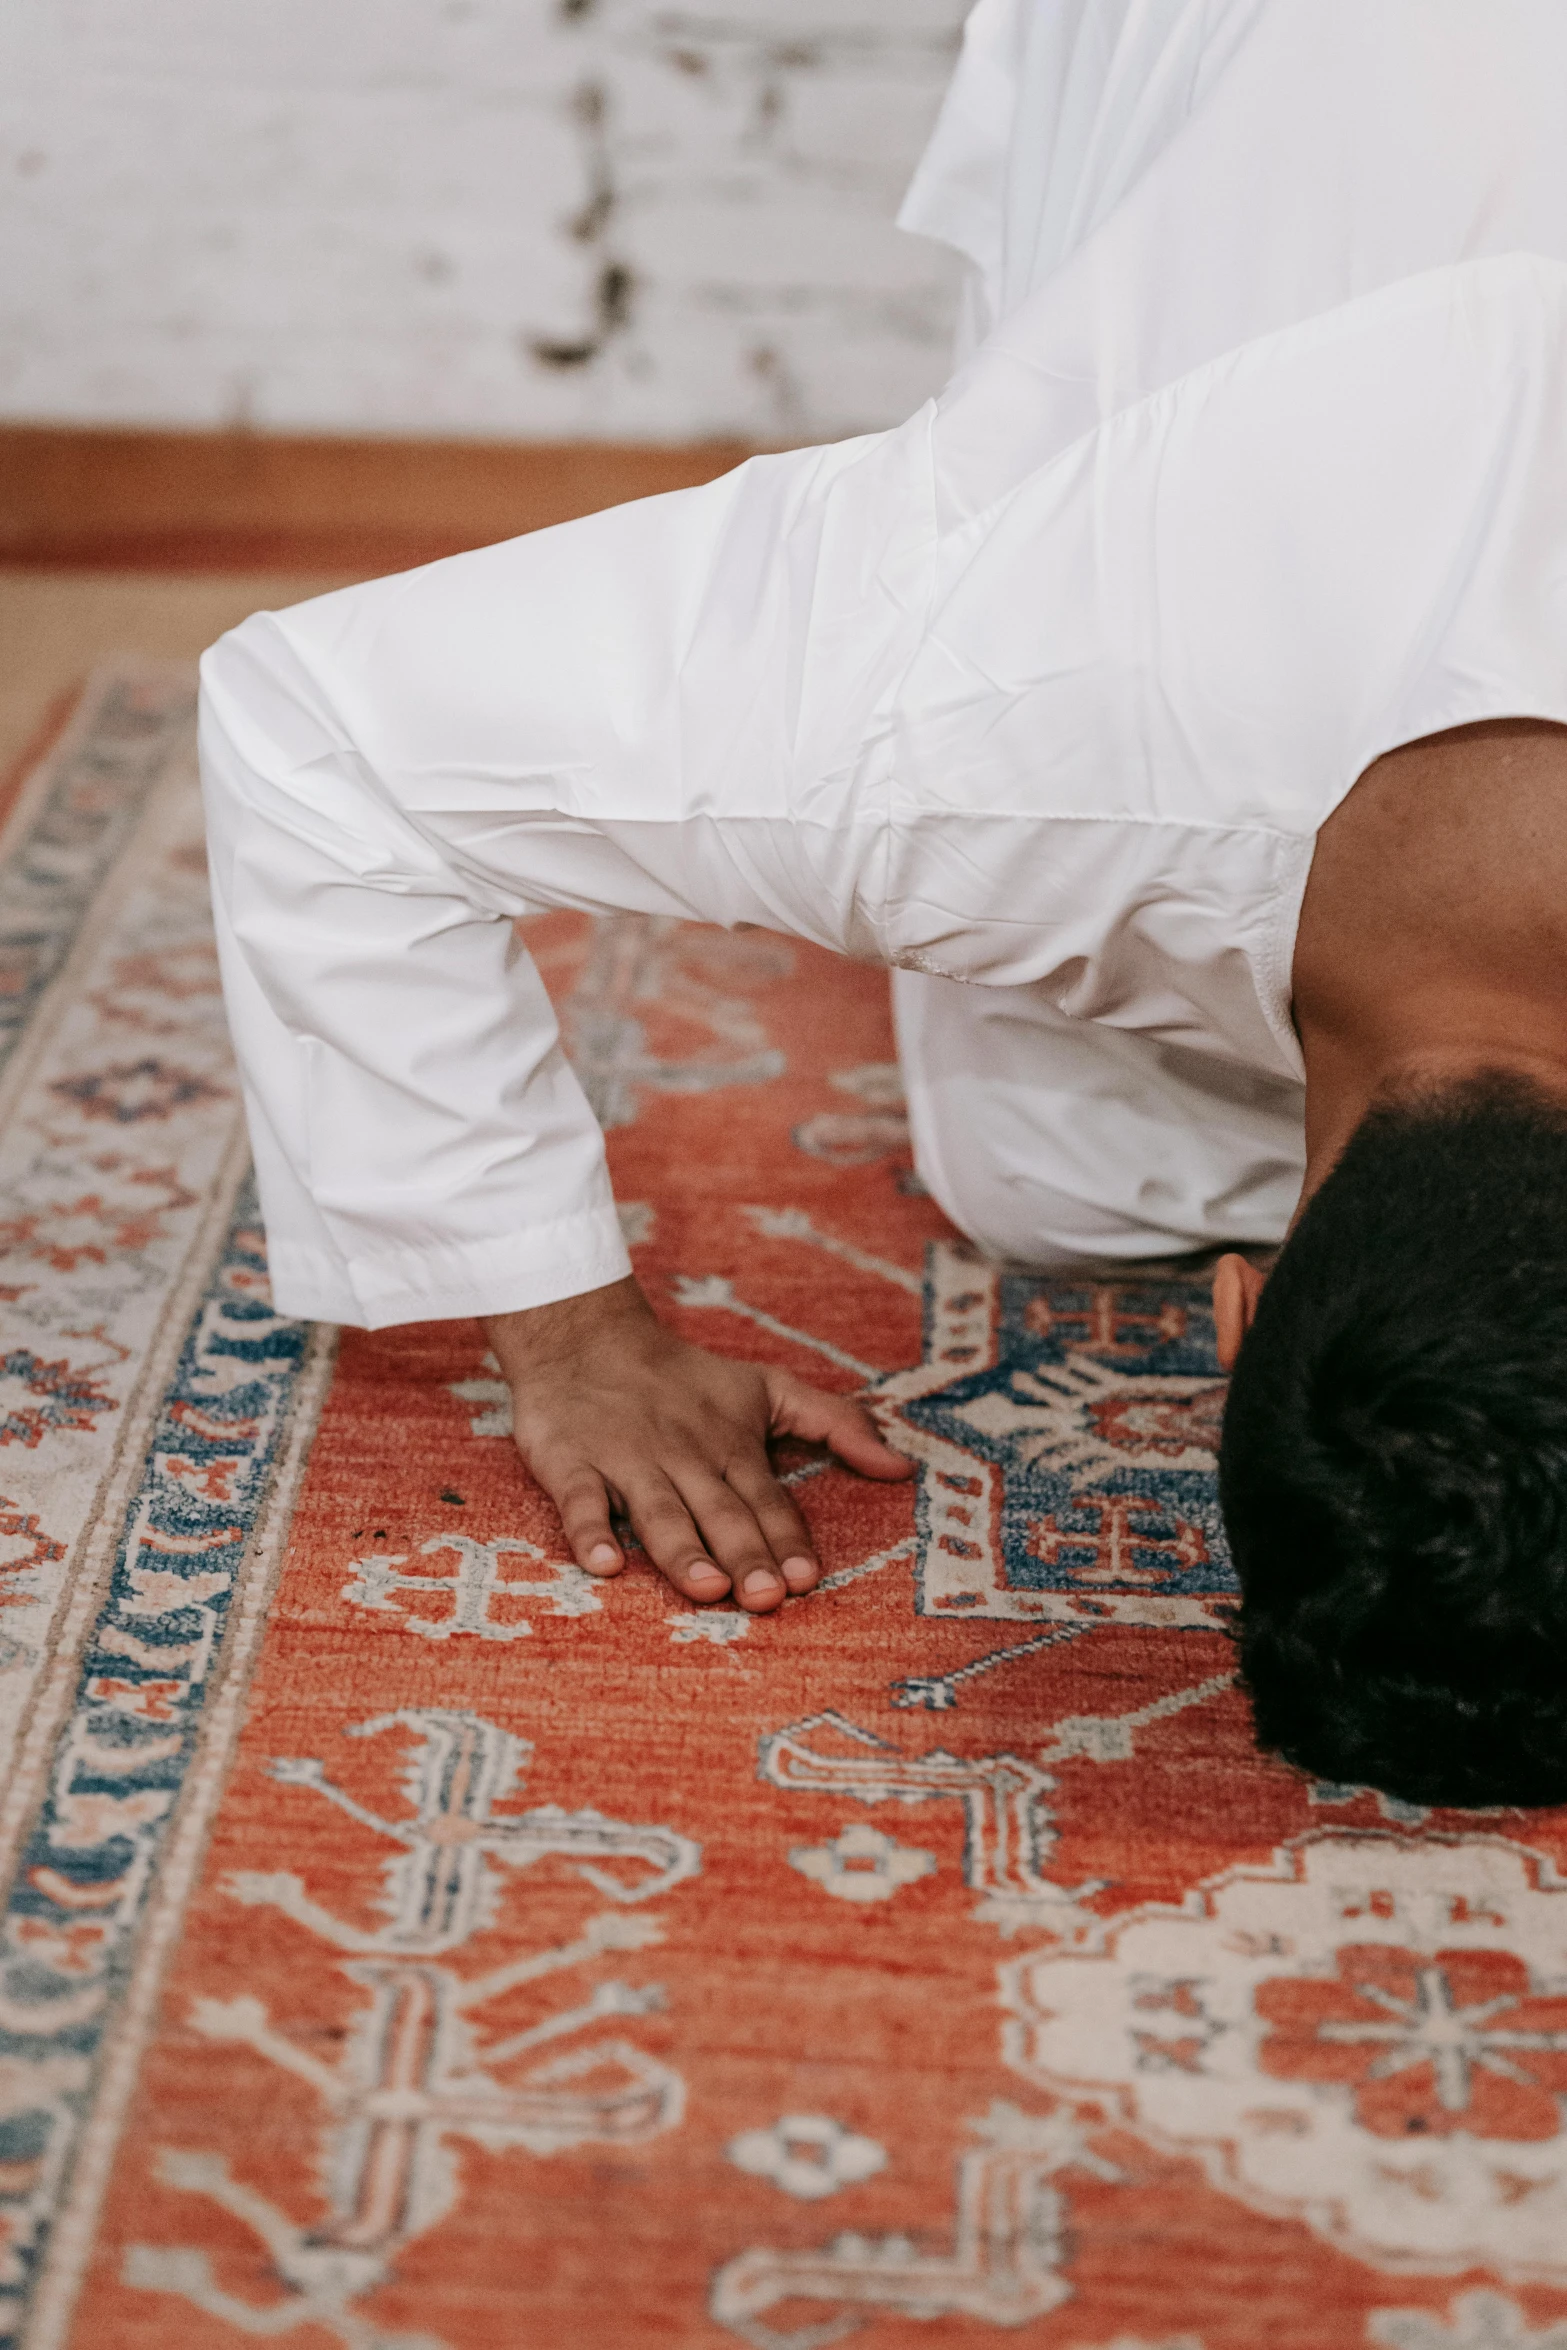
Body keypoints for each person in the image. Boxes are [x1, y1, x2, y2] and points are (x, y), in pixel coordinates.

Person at [200, 0, 1567, 1806]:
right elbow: (310, 727)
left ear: (1238, 1315)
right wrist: (563, 1328)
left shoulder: (971, 727)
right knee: (1045, 1169)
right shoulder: (963, 691)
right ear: (1233, 1315)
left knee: (1046, 1175)